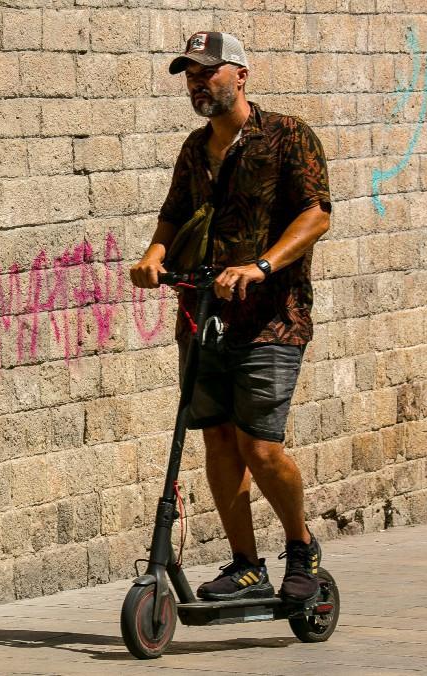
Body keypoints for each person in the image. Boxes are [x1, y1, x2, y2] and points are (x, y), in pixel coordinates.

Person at [129, 31, 331, 602]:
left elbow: (316, 215)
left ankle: (301, 549)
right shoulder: (195, 149)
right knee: (217, 439)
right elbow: (172, 216)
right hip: (202, 316)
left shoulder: (289, 136)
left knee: (261, 447)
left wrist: (260, 267)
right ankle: (246, 563)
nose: (198, 83)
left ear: (241, 74)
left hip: (273, 318)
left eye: (208, 72)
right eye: (190, 75)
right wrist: (153, 255)